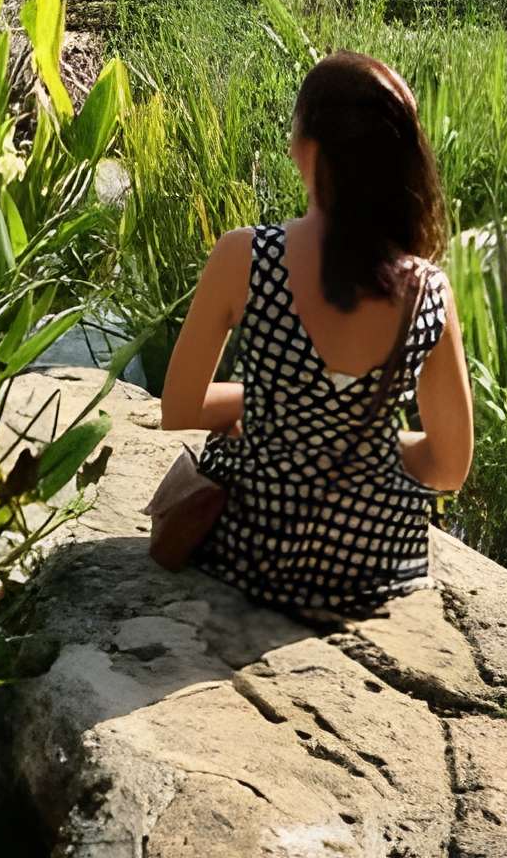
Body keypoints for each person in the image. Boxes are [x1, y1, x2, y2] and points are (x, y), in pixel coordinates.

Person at [157, 50, 474, 618]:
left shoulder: (245, 257)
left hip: (254, 553)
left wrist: (278, 411)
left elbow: (179, 406)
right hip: (377, 563)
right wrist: (358, 434)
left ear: (308, 149)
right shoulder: (429, 292)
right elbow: (449, 466)